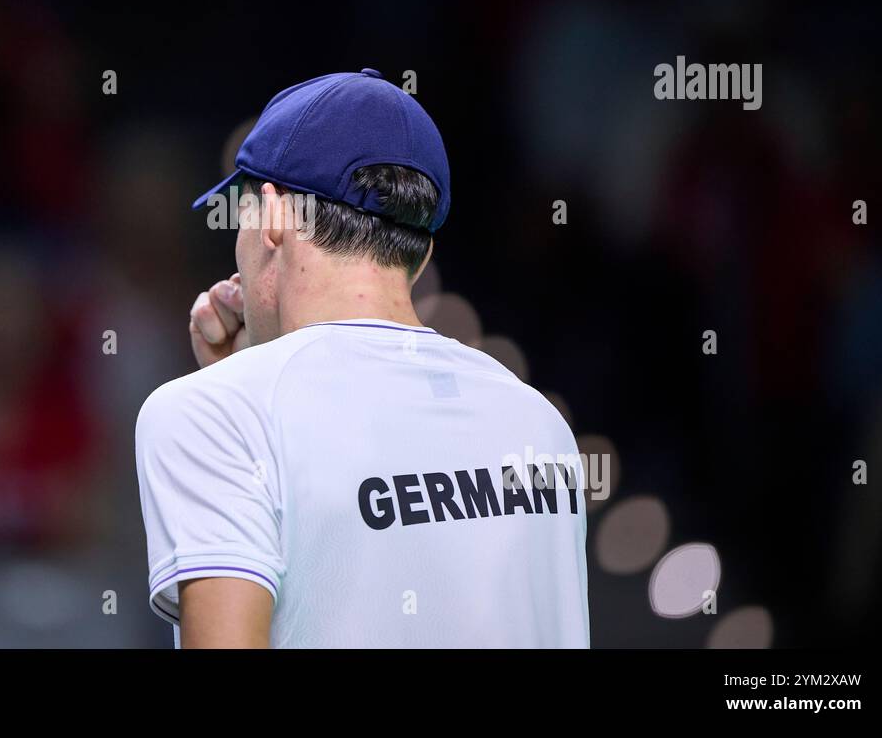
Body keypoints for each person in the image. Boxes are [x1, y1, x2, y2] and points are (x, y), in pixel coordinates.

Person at [135, 69, 590, 647]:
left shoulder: (212, 415)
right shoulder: (538, 423)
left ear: (272, 216)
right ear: (420, 254)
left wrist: (233, 394)